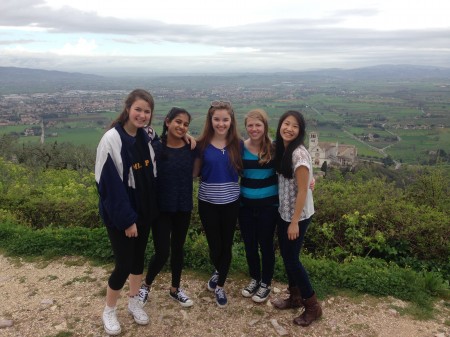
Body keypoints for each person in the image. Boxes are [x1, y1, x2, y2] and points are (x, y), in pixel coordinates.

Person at [95, 89, 157, 335]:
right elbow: (109, 186)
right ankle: (109, 310)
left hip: (143, 211)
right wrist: (128, 220)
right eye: (138, 109)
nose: (142, 115)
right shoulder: (112, 139)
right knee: (123, 263)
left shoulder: (146, 136)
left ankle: (133, 302)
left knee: (137, 260)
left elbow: (155, 166)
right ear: (128, 108)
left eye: (147, 111)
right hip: (121, 215)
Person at [137, 107, 196, 308]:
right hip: (161, 208)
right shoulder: (155, 147)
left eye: (186, 124)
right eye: (178, 122)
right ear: (168, 121)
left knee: (178, 249)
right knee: (162, 251)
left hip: (183, 206)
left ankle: (175, 289)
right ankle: (146, 285)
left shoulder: (190, 147)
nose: (182, 126)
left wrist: (189, 136)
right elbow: (138, 132)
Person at [270, 110, 322, 327]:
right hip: (284, 212)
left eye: (295, 126)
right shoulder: (282, 148)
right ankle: (295, 297)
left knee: (292, 259)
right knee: (288, 257)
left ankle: (312, 305)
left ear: (300, 132)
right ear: (280, 125)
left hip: (297, 216)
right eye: (286, 123)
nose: (289, 128)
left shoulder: (298, 155)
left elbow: (302, 191)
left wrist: (293, 222)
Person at [193, 100, 242, 307]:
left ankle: (220, 285)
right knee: (215, 246)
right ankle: (218, 269)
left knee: (226, 245)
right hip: (208, 202)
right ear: (210, 120)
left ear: (231, 121)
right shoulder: (201, 144)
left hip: (231, 202)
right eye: (217, 119)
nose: (221, 124)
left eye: (225, 119)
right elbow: (194, 173)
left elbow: (264, 155)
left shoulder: (238, 144)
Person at [239, 109, 278, 303]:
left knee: (266, 245)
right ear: (246, 127)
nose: (254, 129)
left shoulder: (274, 148)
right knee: (250, 245)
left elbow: (292, 165)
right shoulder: (240, 147)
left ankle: (266, 283)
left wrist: (310, 178)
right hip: (245, 206)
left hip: (268, 207)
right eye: (250, 125)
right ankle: (255, 278)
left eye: (258, 125)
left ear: (264, 127)